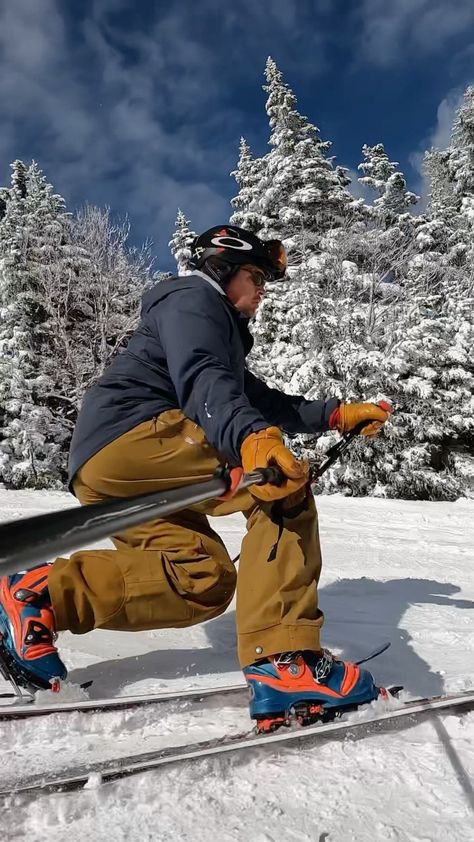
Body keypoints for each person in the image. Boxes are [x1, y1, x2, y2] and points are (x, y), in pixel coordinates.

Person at [0, 225, 390, 729]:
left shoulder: (209, 324)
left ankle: (39, 592)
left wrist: (335, 416)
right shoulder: (192, 299)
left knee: (200, 580)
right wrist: (253, 443)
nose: (263, 290)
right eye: (256, 275)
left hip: (109, 466)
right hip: (140, 435)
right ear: (222, 271)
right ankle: (285, 661)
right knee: (279, 485)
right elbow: (206, 380)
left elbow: (256, 399)